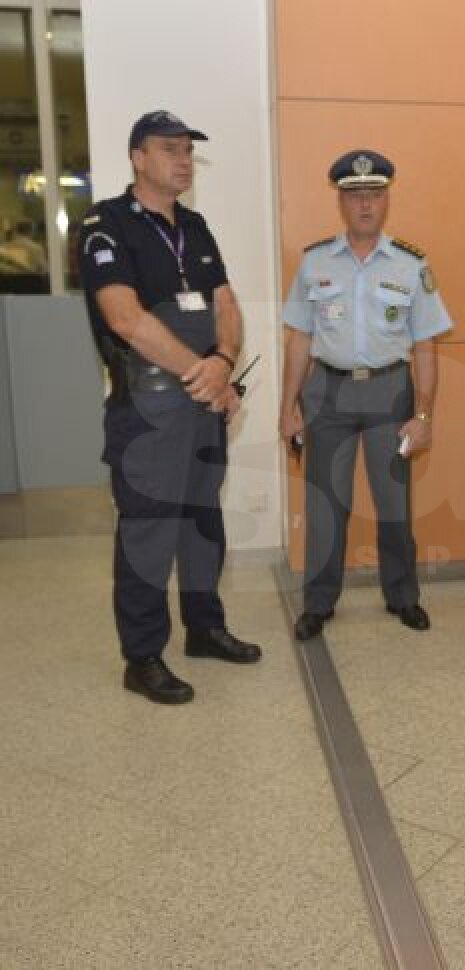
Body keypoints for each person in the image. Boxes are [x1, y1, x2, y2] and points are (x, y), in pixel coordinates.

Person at [79, 110, 261, 706]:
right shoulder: (107, 225)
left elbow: (226, 302)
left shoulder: (197, 226)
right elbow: (124, 317)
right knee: (149, 532)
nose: (183, 160)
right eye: (169, 149)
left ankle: (205, 628)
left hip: (204, 402)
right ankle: (143, 656)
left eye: (187, 150)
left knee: (202, 523)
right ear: (137, 156)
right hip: (150, 407)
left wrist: (225, 361)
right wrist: (199, 370)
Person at [281, 149, 453, 641]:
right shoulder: (315, 262)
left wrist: (423, 414)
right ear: (340, 200)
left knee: (394, 502)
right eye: (355, 195)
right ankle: (318, 602)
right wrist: (288, 406)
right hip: (328, 392)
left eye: (374, 194)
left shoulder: (411, 265)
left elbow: (424, 345)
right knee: (324, 504)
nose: (364, 205)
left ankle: (402, 596)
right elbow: (300, 339)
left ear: (386, 200)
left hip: (389, 392)